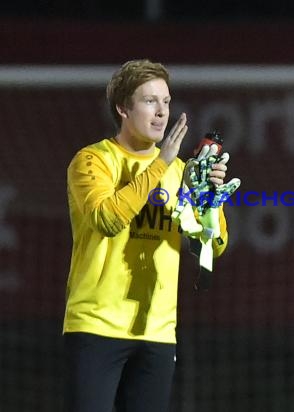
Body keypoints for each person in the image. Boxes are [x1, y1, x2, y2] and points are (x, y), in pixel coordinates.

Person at [63, 59, 229, 412]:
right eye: (149, 101)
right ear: (123, 108)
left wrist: (209, 206)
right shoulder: (93, 161)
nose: (161, 113)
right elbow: (108, 219)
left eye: (166, 102)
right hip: (96, 327)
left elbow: (211, 247)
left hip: (157, 333)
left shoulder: (181, 171)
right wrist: (160, 165)